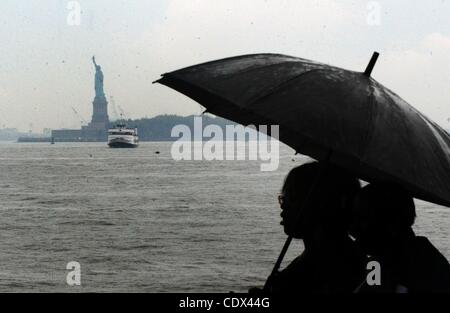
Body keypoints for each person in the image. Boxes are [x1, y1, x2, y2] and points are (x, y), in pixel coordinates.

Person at [262, 162, 366, 293]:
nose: (284, 206)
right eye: (283, 198)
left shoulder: (326, 265)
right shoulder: (342, 254)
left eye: (291, 198)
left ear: (320, 203)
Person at [351, 183, 450, 293]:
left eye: (363, 219)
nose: (355, 227)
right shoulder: (380, 263)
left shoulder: (425, 271)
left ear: (392, 225)